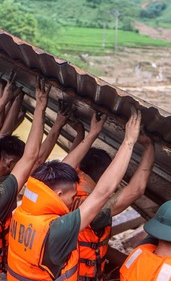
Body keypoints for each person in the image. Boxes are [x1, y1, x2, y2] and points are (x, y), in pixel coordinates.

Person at [7, 108, 142, 281]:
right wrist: (129, 142)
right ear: (59, 193)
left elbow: (64, 168)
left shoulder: (27, 206)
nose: (73, 202)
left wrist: (92, 134)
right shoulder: (55, 231)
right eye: (72, 197)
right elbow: (103, 192)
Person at [0, 78, 50, 276]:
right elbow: (31, 158)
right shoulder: (4, 193)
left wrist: (5, 101)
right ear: (10, 165)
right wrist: (40, 107)